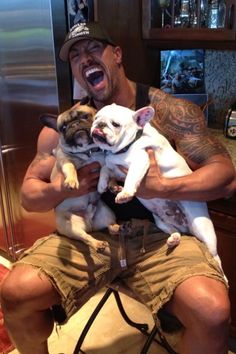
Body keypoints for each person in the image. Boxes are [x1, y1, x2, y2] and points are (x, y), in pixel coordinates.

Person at [1, 21, 235, 354]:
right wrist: (66, 189)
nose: (85, 59)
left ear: (117, 55)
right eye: (76, 56)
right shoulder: (65, 126)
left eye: (94, 48)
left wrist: (163, 188)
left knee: (211, 311)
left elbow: (225, 176)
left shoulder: (167, 111)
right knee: (16, 292)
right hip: (92, 232)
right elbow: (28, 198)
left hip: (158, 235)